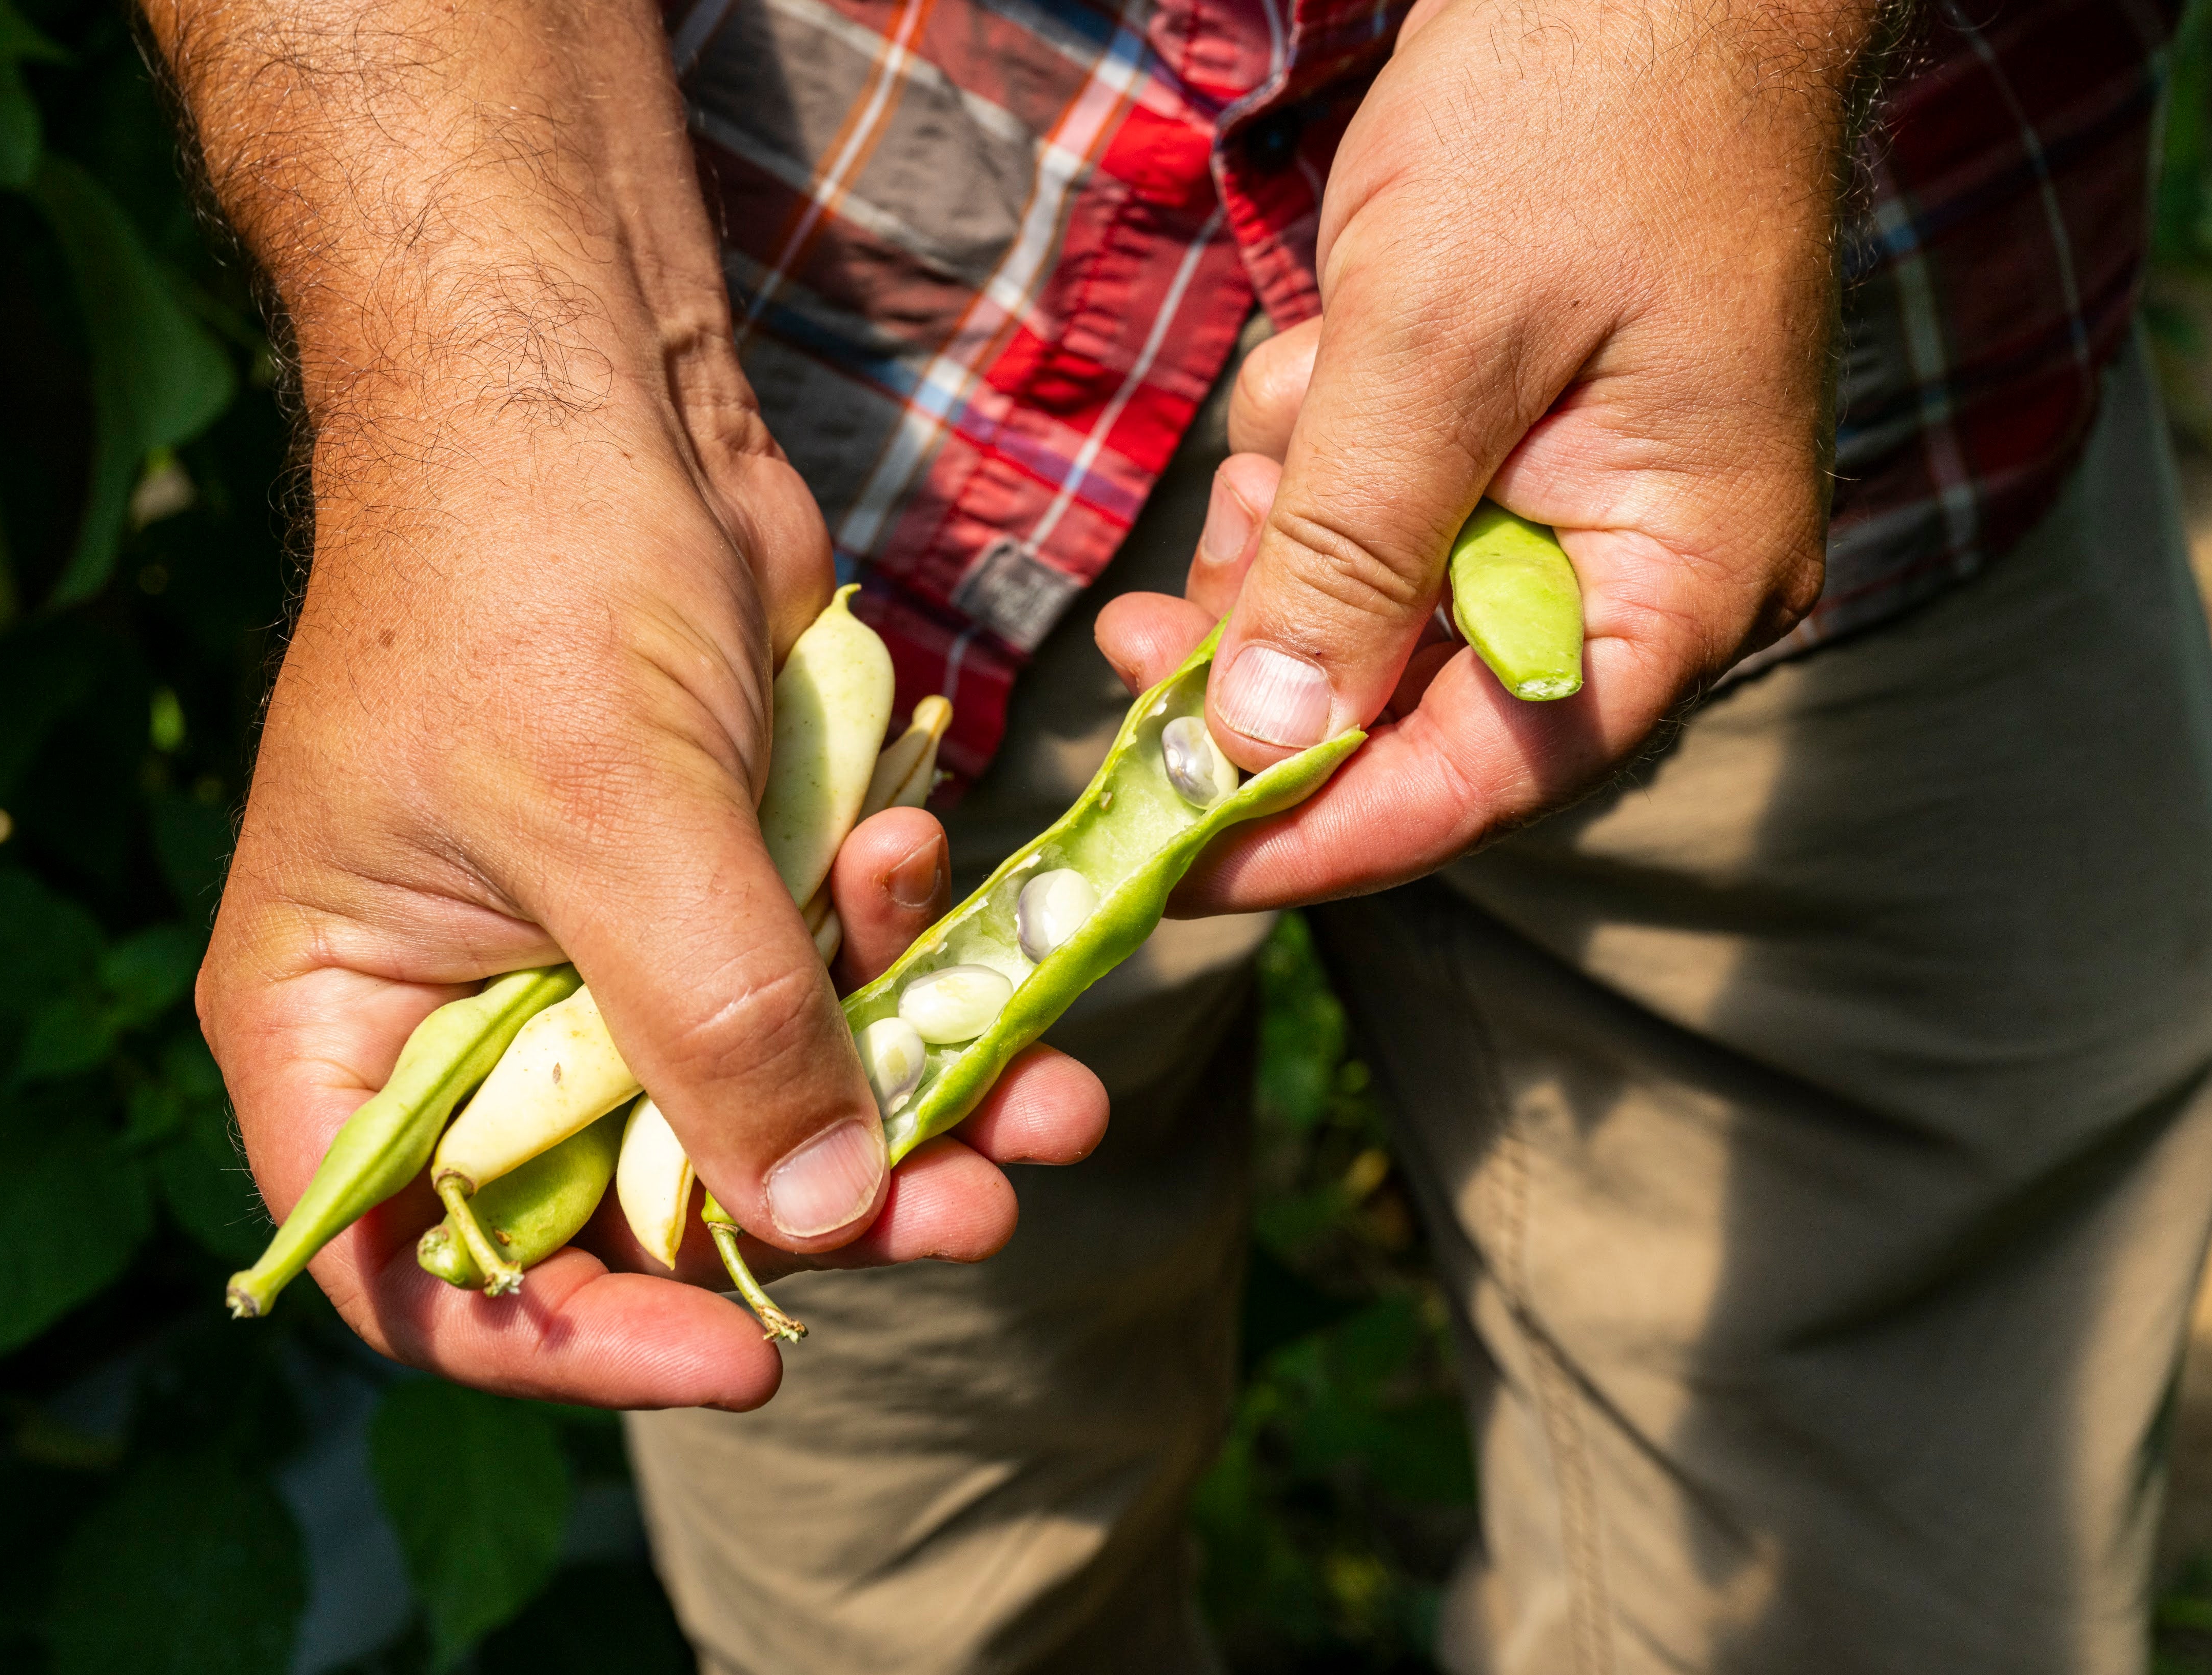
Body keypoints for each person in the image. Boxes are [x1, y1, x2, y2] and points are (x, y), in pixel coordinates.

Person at [150, 0, 2212, 1668]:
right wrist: (489, 383)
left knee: (1874, 1577)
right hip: (807, 401)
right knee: (907, 1606)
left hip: (1868, 321)